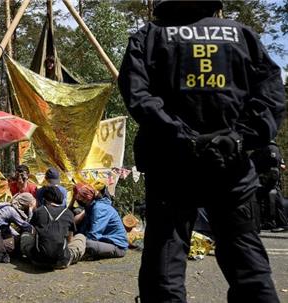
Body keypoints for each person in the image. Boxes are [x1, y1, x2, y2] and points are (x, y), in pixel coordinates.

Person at [118, 1, 285, 302]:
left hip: (171, 168)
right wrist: (238, 139)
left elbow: (137, 96)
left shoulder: (150, 36)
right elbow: (271, 97)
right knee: (249, 270)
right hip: (231, 169)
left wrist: (181, 137)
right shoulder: (242, 36)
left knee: (164, 272)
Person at [21, 186, 86, 269]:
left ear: (45, 199)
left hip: (37, 260)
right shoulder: (69, 213)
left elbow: (33, 234)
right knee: (81, 237)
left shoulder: (39, 211)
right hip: (61, 260)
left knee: (26, 234)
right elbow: (70, 239)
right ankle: (66, 257)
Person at [72, 183, 128, 260]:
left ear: (86, 199)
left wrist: (78, 240)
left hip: (117, 246)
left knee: (87, 243)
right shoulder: (90, 206)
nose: (78, 201)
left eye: (79, 199)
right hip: (104, 241)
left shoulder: (99, 208)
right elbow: (83, 229)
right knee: (79, 238)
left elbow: (94, 235)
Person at [250, 141, 288, 232]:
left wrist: (268, 177)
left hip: (269, 179)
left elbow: (277, 166)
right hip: (260, 179)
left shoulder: (271, 147)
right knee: (260, 199)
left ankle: (282, 224)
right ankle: (267, 223)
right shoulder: (258, 150)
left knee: (275, 197)